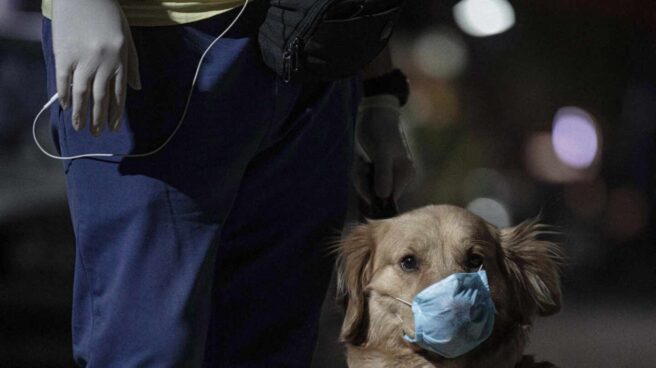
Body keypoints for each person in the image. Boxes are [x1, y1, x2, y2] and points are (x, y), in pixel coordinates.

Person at [40, 0, 414, 366]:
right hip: (160, 45)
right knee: (150, 344)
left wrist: (379, 89)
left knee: (274, 341)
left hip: (314, 43)